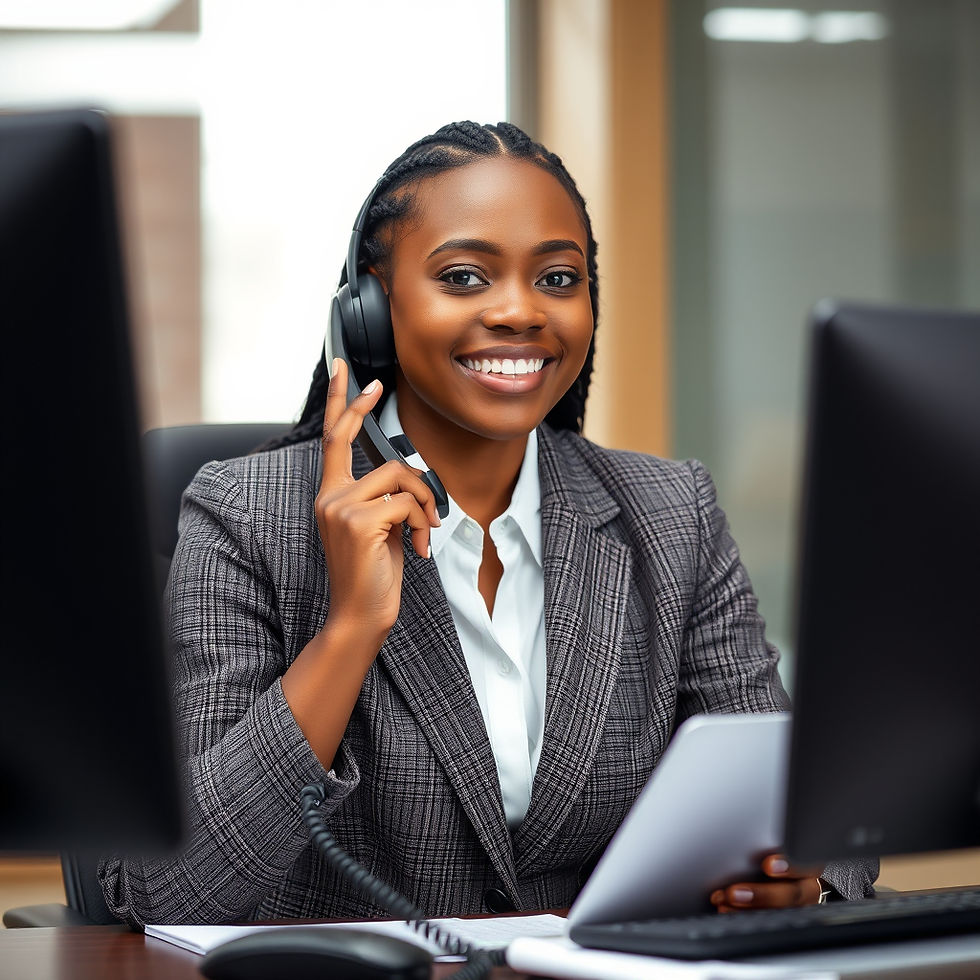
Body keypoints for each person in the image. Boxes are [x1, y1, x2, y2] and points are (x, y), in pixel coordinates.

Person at [100, 121, 876, 926]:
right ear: (369, 307)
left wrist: (806, 875)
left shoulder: (670, 514)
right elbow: (168, 886)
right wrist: (350, 632)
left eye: (558, 278)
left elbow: (810, 799)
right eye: (465, 276)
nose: (519, 311)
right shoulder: (247, 516)